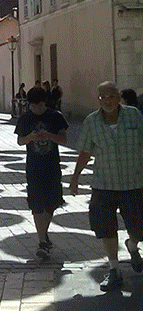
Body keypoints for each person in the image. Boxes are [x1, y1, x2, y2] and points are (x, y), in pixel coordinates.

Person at [70, 81, 143, 292]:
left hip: (134, 182)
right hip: (104, 184)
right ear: (98, 99)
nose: (107, 101)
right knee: (105, 228)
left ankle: (132, 245)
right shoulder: (91, 122)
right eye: (102, 98)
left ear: (119, 97)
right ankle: (114, 270)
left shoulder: (134, 115)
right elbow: (85, 151)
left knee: (139, 227)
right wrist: (75, 177)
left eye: (111, 97)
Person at [15, 86, 68, 260]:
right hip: (34, 167)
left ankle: (44, 235)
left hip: (52, 166)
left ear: (45, 103)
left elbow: (64, 139)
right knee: (37, 204)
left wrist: (49, 136)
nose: (37, 109)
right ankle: (42, 241)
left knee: (51, 203)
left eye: (40, 105)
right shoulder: (25, 118)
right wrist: (30, 137)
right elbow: (19, 141)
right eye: (33, 105)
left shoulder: (55, 116)